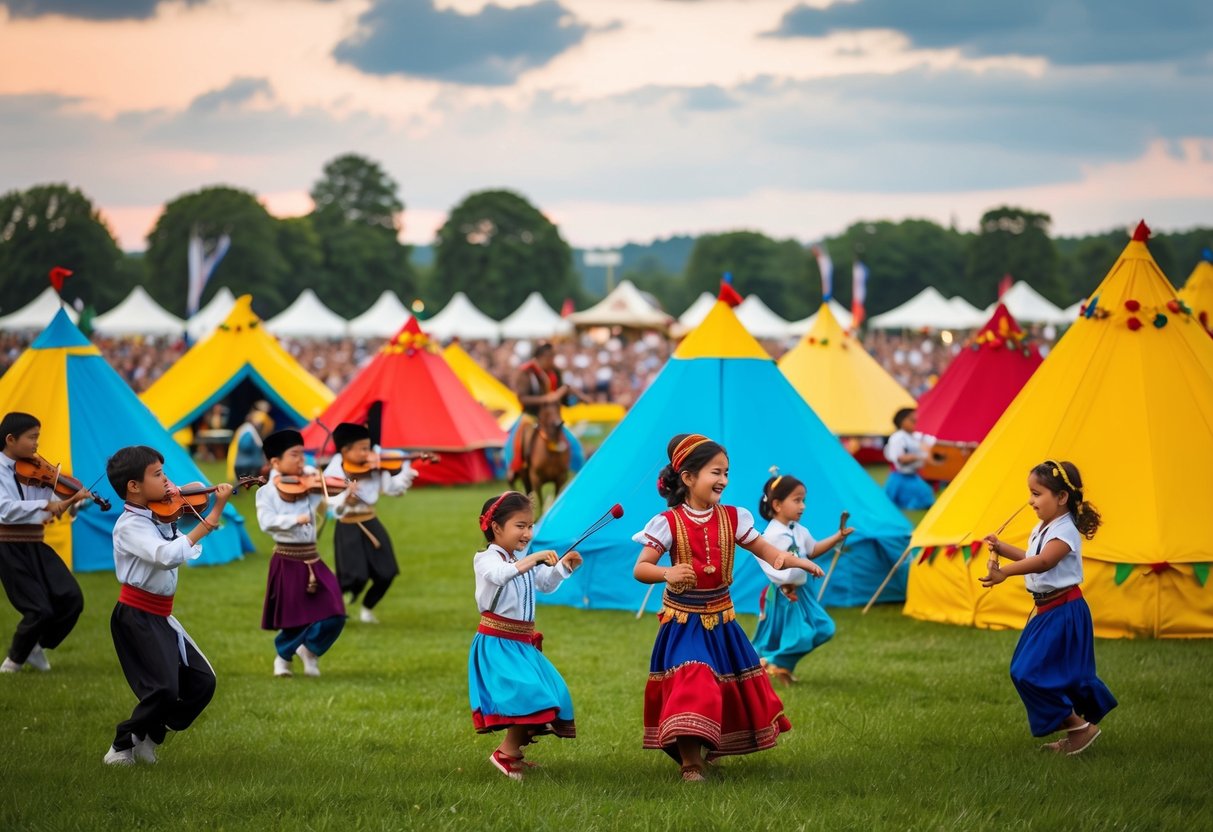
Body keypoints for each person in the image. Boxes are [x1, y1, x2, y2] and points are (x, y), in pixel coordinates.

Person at [632, 433, 825, 782]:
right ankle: (690, 763)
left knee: (722, 687)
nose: (723, 480)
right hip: (683, 623)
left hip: (722, 621)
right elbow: (641, 568)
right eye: (715, 472)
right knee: (696, 678)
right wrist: (667, 572)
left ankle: (704, 751)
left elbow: (772, 554)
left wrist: (802, 563)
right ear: (688, 478)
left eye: (726, 472)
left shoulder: (735, 519)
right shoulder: (668, 522)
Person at [102, 445, 232, 765]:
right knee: (162, 688)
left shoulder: (160, 513)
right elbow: (166, 556)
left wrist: (179, 504)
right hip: (137, 616)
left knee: (203, 683)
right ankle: (122, 745)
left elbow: (172, 538)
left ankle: (149, 734)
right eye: (158, 475)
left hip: (162, 614)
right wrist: (212, 515)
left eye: (165, 473)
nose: (168, 482)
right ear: (133, 486)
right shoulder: (130, 526)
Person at [981, 459, 1116, 756]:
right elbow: (1033, 555)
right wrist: (1001, 548)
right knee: (1040, 672)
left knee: (1029, 672)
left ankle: (1080, 728)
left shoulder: (1065, 530)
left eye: (1037, 493)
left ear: (1062, 497)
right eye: (1030, 493)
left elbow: (1045, 562)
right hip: (1048, 612)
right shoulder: (1045, 526)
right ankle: (1077, 731)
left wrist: (1004, 573)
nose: (1030, 500)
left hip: (1064, 611)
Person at [468, 491, 582, 780]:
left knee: (554, 695)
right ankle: (504, 754)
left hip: (522, 644)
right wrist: (531, 559)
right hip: (497, 643)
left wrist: (562, 568)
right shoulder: (485, 560)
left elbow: (543, 583)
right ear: (496, 527)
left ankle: (514, 753)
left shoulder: (518, 559)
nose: (528, 533)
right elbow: (502, 575)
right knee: (531, 696)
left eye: (530, 526)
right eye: (520, 526)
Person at [0, 412, 89, 674]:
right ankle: (14, 660)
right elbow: (5, 509)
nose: (37, 443)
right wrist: (50, 504)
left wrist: (75, 502)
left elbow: (58, 499)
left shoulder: (36, 467)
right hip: (7, 547)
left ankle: (35, 645)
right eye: (32, 437)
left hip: (36, 544)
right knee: (38, 608)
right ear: (11, 439)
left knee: (72, 599)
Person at [256, 430, 346, 678]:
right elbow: (266, 522)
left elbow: (331, 499)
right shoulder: (267, 492)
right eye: (294, 455)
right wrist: (295, 519)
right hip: (287, 557)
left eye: (302, 455)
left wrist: (346, 495)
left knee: (336, 611)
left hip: (312, 557)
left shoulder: (308, 482)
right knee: (297, 617)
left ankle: (310, 650)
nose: (301, 461)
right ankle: (283, 657)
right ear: (275, 462)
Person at [752, 470, 852, 685]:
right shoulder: (772, 535)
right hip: (786, 594)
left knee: (824, 628)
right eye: (797, 500)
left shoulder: (798, 529)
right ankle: (770, 661)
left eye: (803, 500)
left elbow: (812, 549)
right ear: (777, 505)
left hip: (803, 592)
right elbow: (777, 566)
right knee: (799, 636)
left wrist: (838, 536)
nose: (803, 506)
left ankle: (777, 663)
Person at [323, 422, 416, 623]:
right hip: (347, 524)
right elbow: (327, 498)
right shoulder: (335, 468)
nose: (368, 453)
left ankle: (367, 608)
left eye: (369, 447)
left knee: (387, 572)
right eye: (363, 449)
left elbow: (393, 490)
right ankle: (329, 606)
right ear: (345, 450)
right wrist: (344, 499)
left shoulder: (375, 465)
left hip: (370, 519)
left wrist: (406, 474)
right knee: (353, 577)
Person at [507, 342, 580, 480]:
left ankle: (571, 470)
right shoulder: (526, 373)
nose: (553, 361)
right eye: (550, 357)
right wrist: (546, 399)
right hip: (531, 416)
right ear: (540, 357)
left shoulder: (555, 372)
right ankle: (516, 470)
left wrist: (574, 397)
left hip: (551, 418)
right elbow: (522, 398)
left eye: (553, 357)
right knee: (518, 444)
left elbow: (561, 398)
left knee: (573, 445)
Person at [883, 407, 936, 510]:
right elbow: (900, 459)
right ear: (902, 422)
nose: (915, 422)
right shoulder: (897, 437)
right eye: (912, 420)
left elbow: (934, 442)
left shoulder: (915, 436)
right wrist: (921, 456)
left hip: (913, 476)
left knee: (927, 496)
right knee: (915, 499)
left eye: (916, 420)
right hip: (900, 477)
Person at [229, 401, 273, 480]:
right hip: (248, 462)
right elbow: (246, 445)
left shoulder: (248, 429)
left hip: (248, 461)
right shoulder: (248, 430)